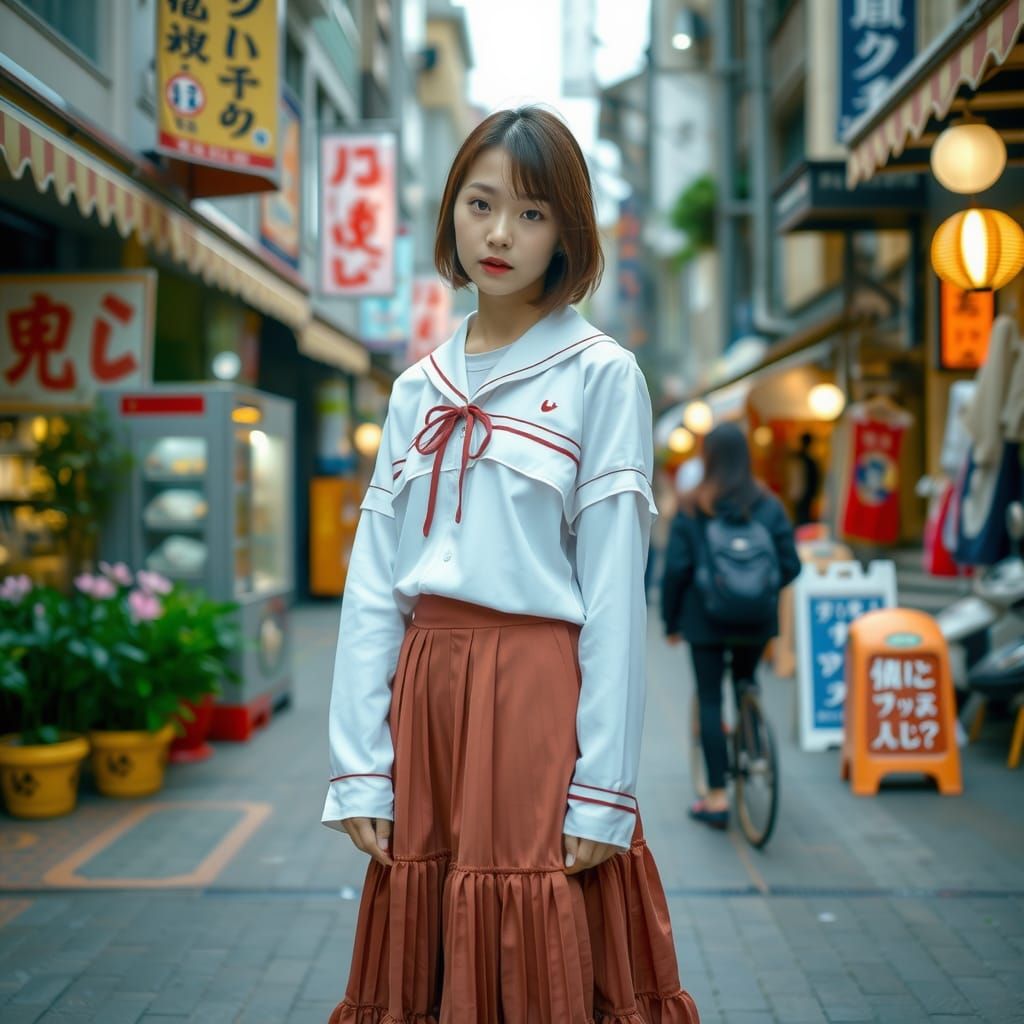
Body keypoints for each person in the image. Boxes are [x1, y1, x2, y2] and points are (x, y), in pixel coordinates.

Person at [322, 107, 699, 1024]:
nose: (500, 234)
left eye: (532, 214)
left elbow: (614, 594)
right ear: (451, 209)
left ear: (567, 232)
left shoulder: (601, 374)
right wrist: (359, 765)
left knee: (535, 929)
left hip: (533, 690)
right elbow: (374, 585)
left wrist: (604, 788)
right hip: (427, 694)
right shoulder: (416, 389)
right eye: (481, 204)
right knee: (430, 931)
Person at [660, 422, 800, 829]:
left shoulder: (692, 505)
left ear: (707, 458)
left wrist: (671, 621)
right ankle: (753, 733)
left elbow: (676, 571)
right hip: (756, 620)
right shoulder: (768, 505)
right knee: (745, 678)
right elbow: (791, 564)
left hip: (704, 620)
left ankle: (717, 798)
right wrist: (761, 591)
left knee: (708, 698)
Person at [787, 430, 821, 527]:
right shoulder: (806, 460)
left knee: (801, 518)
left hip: (800, 493)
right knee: (803, 518)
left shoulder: (798, 458)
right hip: (804, 493)